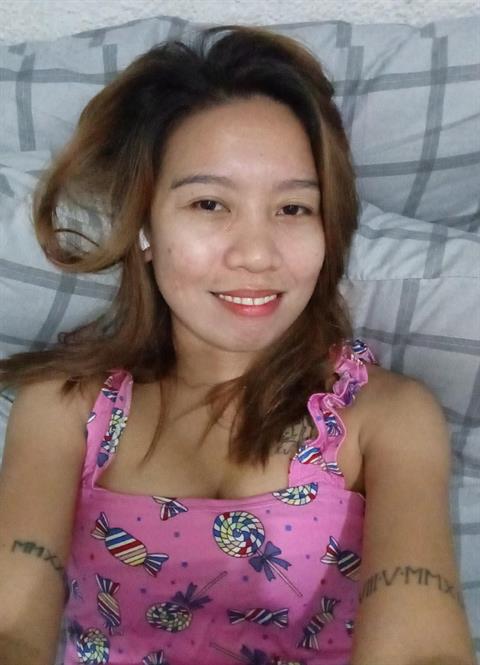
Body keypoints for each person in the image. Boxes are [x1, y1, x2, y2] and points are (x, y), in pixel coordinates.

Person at [0, 24, 475, 665]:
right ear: (143, 226)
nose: (256, 254)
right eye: (209, 204)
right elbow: (12, 626)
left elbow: (421, 648)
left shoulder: (387, 419)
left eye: (293, 209)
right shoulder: (64, 409)